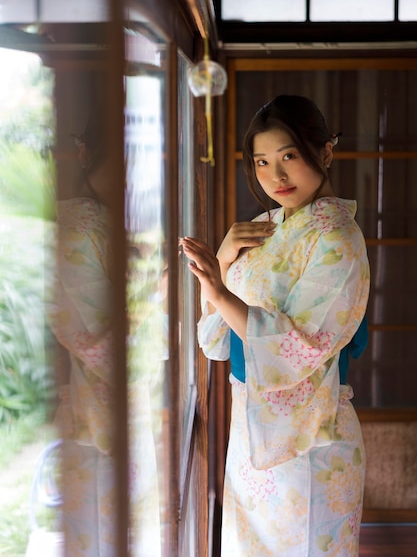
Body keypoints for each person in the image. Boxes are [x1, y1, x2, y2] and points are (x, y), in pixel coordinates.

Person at [181, 94, 370, 557]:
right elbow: (217, 342)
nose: (276, 176)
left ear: (325, 150)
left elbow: (302, 345)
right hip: (251, 427)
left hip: (312, 434)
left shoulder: (338, 236)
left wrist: (221, 290)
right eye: (262, 161)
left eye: (289, 155)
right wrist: (223, 262)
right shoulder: (261, 228)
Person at [48, 111, 161, 557]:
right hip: (98, 419)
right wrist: (157, 289)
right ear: (84, 154)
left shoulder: (106, 223)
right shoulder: (78, 230)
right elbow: (102, 346)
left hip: (123, 414)